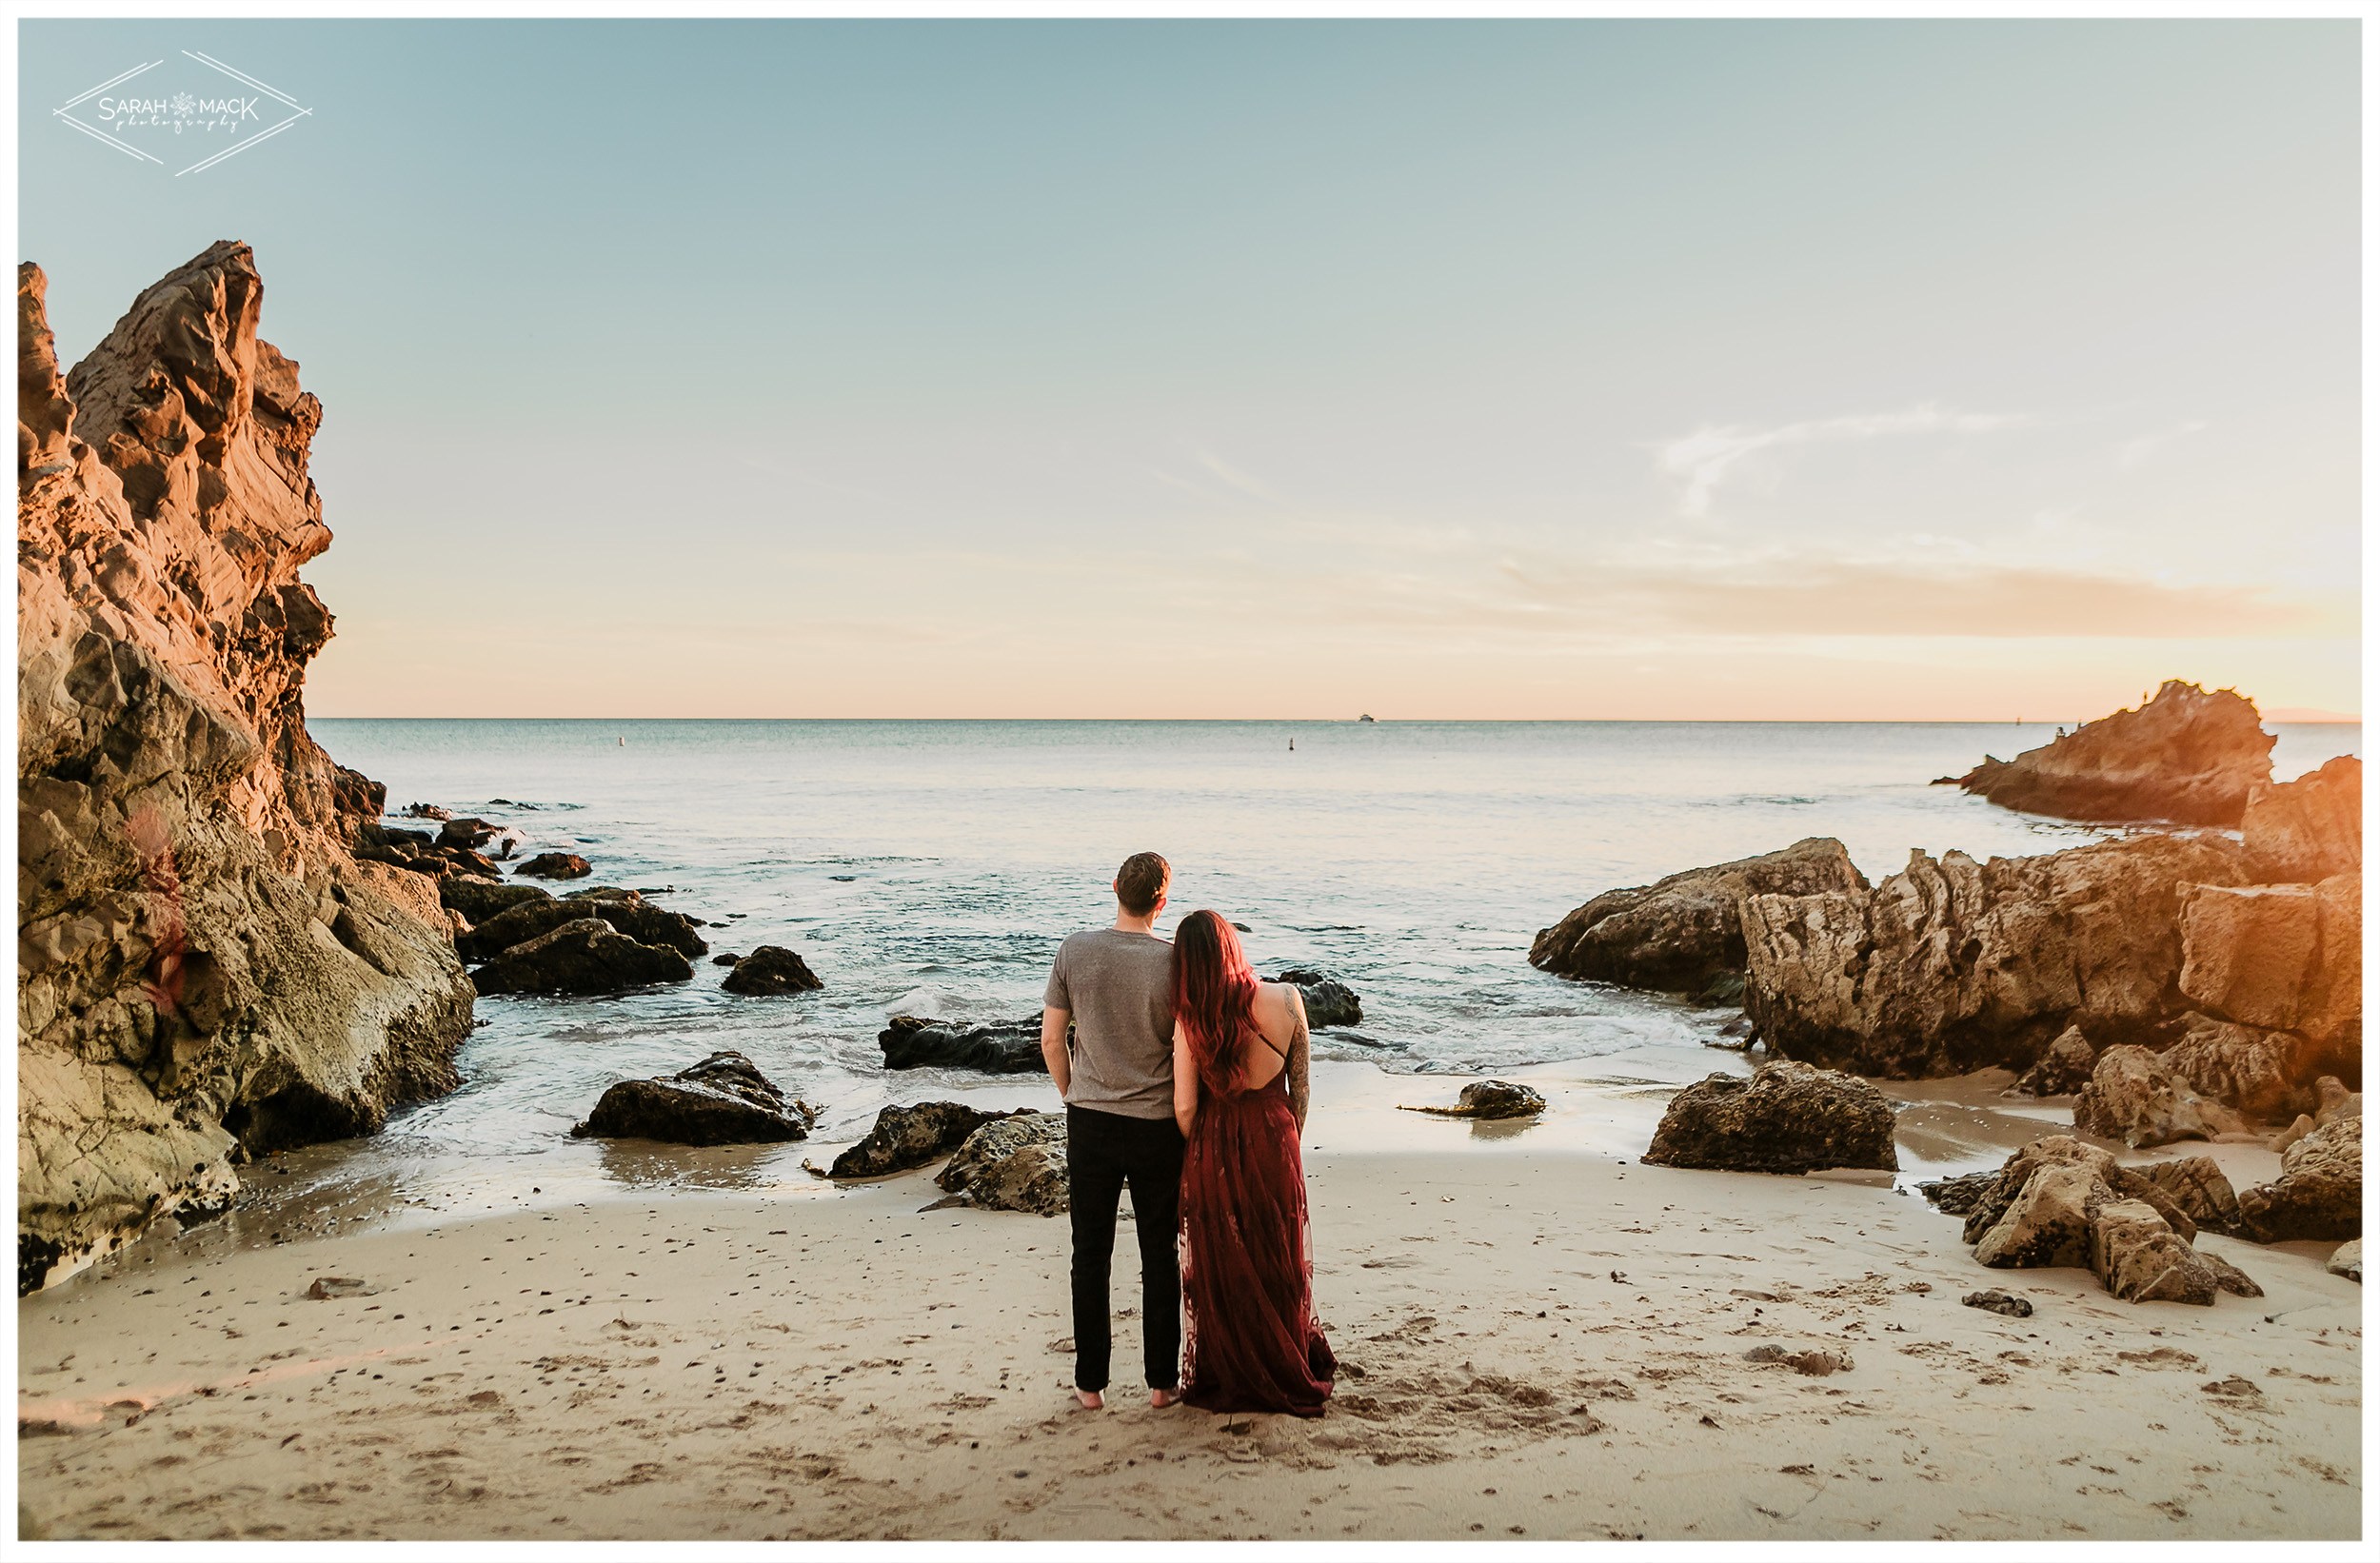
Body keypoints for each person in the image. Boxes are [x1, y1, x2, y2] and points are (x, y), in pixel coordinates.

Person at [1169, 910, 1336, 1416]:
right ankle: (1287, 1356)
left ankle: (1234, 1367)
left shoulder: (1192, 1017)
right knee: (1276, 1252)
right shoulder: (1287, 999)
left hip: (1216, 1140)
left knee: (1225, 1258)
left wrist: (1202, 1149)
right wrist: (1284, 1138)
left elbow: (1184, 1107)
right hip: (1275, 1134)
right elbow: (1302, 1088)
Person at [1041, 850, 1184, 1412]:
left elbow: (1052, 1041)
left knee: (1090, 1252)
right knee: (1159, 1255)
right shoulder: (1175, 962)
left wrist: (1075, 1095)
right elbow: (1186, 1050)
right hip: (1157, 1126)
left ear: (1116, 886)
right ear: (1162, 902)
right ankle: (1160, 1383)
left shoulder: (1076, 950)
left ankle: (1090, 1385)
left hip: (1091, 1121)